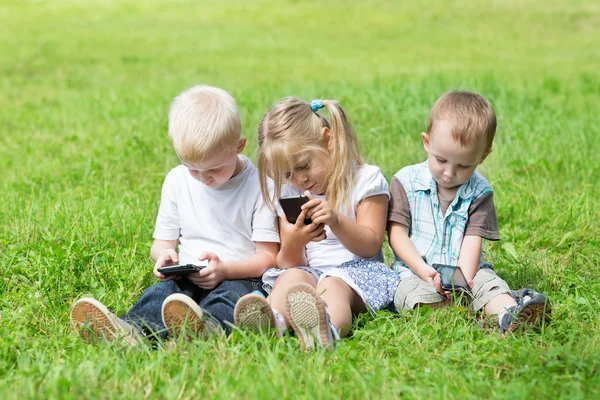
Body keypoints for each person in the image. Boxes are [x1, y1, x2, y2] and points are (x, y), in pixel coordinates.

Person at [70, 85, 279, 345]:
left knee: (231, 300)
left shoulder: (261, 187)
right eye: (192, 168)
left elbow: (269, 257)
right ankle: (132, 332)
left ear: (239, 146)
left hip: (240, 276)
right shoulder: (177, 181)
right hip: (187, 274)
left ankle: (206, 331)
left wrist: (225, 270)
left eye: (214, 168)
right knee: (161, 294)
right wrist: (164, 258)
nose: (204, 179)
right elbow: (162, 244)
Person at [233, 97, 400, 350]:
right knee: (292, 278)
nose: (299, 179)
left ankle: (328, 329)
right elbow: (289, 263)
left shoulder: (365, 180)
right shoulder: (290, 193)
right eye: (288, 174)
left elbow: (370, 244)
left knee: (332, 284)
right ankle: (274, 322)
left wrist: (336, 220)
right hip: (312, 272)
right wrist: (295, 240)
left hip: (358, 274)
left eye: (304, 166)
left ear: (327, 140)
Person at [387, 90, 550, 336]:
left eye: (463, 165)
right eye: (441, 160)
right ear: (427, 142)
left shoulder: (480, 191)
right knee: (409, 294)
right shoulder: (405, 181)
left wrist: (463, 280)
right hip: (415, 270)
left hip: (468, 270)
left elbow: (472, 240)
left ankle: (509, 314)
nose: (449, 173)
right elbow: (397, 235)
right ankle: (470, 312)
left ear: (482, 157)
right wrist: (423, 270)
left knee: (489, 284)